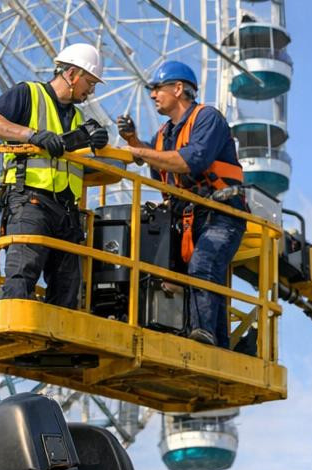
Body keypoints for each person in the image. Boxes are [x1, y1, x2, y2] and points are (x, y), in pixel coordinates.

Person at [116, 61, 246, 349]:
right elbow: (159, 170)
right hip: (187, 217)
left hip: (221, 214)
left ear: (178, 89)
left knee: (203, 265)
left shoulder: (208, 118)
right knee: (167, 269)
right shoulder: (164, 135)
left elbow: (192, 160)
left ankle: (202, 336)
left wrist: (138, 151)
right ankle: (213, 341)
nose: (152, 95)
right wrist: (134, 140)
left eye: (157, 88)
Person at [0, 43, 109, 308]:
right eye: (90, 82)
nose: (91, 91)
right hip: (29, 201)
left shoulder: (79, 117)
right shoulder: (28, 93)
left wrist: (98, 147)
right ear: (71, 74)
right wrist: (31, 135)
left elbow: (83, 165)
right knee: (22, 273)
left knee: (68, 289)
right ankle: (14, 321)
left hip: (67, 212)